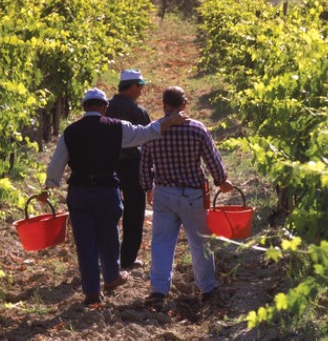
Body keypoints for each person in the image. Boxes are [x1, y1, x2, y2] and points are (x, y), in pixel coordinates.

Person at [44, 88, 188, 306]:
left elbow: (56, 165)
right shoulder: (115, 127)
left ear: (84, 108)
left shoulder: (70, 132)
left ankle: (91, 293)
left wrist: (48, 187)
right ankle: (112, 277)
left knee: (85, 243)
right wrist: (170, 121)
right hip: (105, 190)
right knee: (109, 234)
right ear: (104, 107)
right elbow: (145, 132)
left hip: (79, 192)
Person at [139, 86, 233, 305]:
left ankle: (158, 290)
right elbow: (212, 160)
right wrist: (221, 181)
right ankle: (207, 288)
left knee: (161, 242)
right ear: (183, 105)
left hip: (163, 193)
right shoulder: (197, 129)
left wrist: (147, 188)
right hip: (193, 195)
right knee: (200, 242)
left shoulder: (153, 131)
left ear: (164, 105)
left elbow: (144, 165)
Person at [105, 69, 151, 270]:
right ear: (132, 87)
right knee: (134, 212)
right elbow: (150, 140)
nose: (141, 91)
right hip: (133, 167)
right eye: (140, 87)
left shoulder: (104, 108)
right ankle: (128, 258)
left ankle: (107, 255)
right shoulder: (137, 112)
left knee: (108, 212)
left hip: (107, 166)